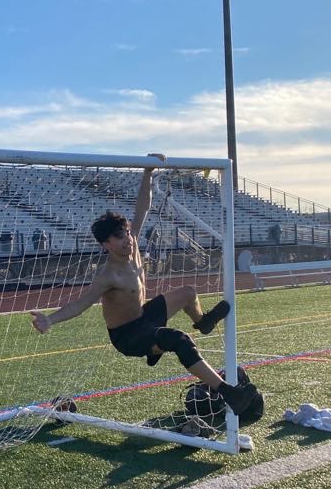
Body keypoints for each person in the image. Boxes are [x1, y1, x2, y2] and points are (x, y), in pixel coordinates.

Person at [30, 154, 260, 416]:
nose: (127, 239)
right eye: (119, 237)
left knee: (188, 293)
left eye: (127, 233)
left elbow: (143, 208)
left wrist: (148, 172)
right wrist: (50, 319)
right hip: (128, 336)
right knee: (179, 339)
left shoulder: (134, 246)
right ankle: (229, 393)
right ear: (106, 244)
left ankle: (203, 322)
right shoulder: (108, 275)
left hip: (145, 317)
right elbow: (80, 304)